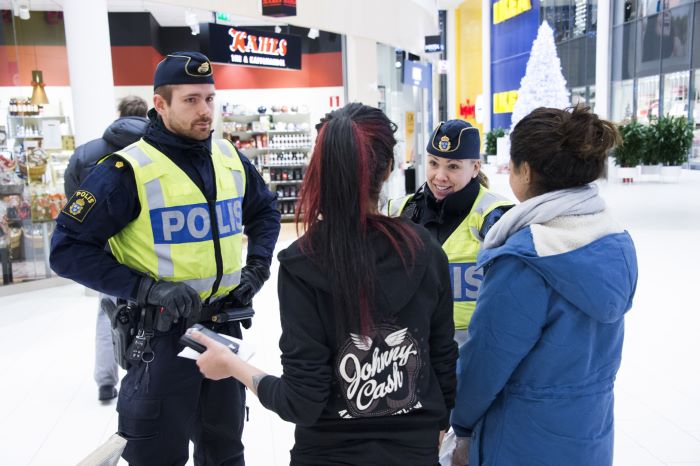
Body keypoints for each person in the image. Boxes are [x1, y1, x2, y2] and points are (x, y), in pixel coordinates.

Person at [191, 103, 458, 466]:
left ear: (321, 171)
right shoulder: (425, 250)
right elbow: (443, 358)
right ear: (390, 169)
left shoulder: (303, 263)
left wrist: (232, 365)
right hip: (414, 451)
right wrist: (439, 425)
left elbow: (301, 402)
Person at [50, 51, 281, 465]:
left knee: (225, 453)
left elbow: (265, 211)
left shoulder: (228, 158)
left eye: (210, 99)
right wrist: (148, 288)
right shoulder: (126, 170)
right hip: (158, 341)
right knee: (156, 456)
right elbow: (66, 250)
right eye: (191, 100)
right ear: (160, 104)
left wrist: (258, 268)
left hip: (222, 335)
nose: (205, 111)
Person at [450, 106, 639, 466]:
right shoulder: (613, 242)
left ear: (525, 170)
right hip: (590, 432)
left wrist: (460, 424)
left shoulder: (525, 261)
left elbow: (485, 364)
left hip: (521, 440)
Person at [387, 119, 513, 345]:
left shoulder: (495, 216)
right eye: (434, 163)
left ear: (475, 168)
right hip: (410, 351)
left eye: (453, 166)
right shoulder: (399, 211)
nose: (440, 176)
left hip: (472, 353)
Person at [63, 95, 149, 402]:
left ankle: (105, 380)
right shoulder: (158, 151)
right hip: (148, 250)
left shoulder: (87, 153)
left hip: (104, 249)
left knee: (107, 312)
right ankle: (147, 377)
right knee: (153, 312)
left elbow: (72, 204)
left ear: (119, 114)